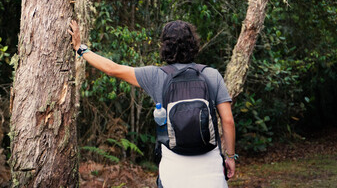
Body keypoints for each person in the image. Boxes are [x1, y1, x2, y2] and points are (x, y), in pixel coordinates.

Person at [68, 20, 236, 187]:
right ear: (193, 44)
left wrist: (80, 48)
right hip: (210, 169)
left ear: (164, 46)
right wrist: (230, 157)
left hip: (173, 171)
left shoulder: (156, 76)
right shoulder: (211, 75)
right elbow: (228, 121)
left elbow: (113, 69)